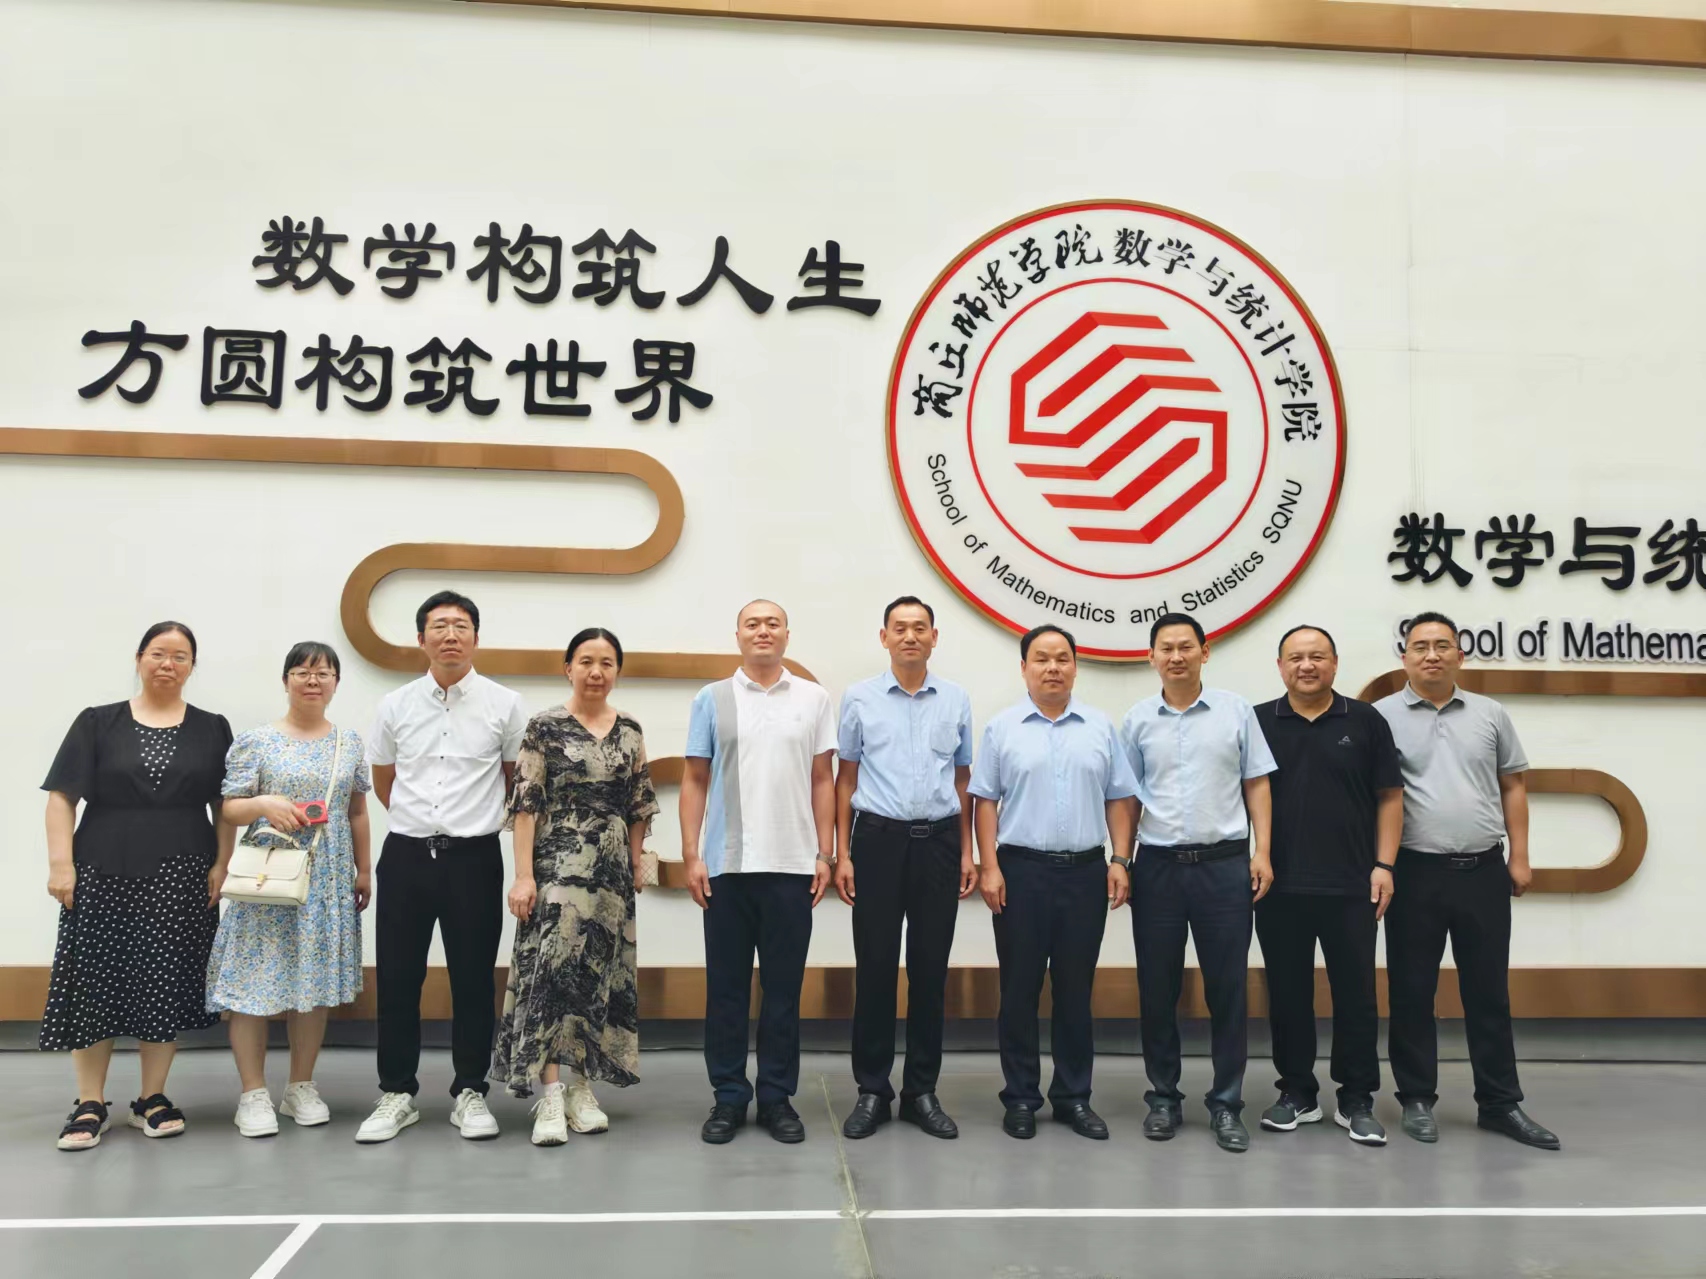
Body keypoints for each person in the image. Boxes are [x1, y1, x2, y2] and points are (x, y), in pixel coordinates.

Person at [41, 621, 233, 1151]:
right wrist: (61, 864)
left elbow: (225, 805)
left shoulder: (213, 727)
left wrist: (223, 863)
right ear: (139, 657)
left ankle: (152, 1097)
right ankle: (89, 1102)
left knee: (164, 978)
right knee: (94, 981)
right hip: (101, 868)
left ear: (192, 666)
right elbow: (61, 797)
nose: (168, 664)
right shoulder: (97, 722)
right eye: (158, 653)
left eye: (180, 656)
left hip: (183, 872)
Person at [1375, 612, 1559, 1150]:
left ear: (1460, 654)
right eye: (1420, 646)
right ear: (1404, 657)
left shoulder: (1490, 713)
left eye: (1442, 645)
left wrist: (1520, 856)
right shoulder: (1380, 717)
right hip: (1414, 872)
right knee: (1412, 991)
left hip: (1483, 870)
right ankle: (1416, 1098)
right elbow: (1374, 797)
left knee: (1488, 992)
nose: (1431, 654)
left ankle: (1500, 1103)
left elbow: (1513, 786)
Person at [358, 591, 527, 1143]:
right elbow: (385, 781)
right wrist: (420, 821)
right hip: (407, 855)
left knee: (473, 979)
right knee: (398, 977)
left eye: (460, 626)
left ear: (476, 637)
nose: (450, 635)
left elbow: (514, 782)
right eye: (439, 626)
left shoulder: (505, 704)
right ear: (421, 638)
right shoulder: (396, 704)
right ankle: (396, 1092)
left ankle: (470, 1090)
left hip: (474, 858)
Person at [491, 628, 659, 1146]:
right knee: (551, 975)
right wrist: (523, 876)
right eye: (586, 661)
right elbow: (526, 805)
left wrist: (635, 863)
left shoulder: (630, 729)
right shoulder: (544, 727)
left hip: (610, 875)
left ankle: (582, 1089)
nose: (596, 671)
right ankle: (550, 1094)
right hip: (556, 867)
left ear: (617, 671)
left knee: (596, 975)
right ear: (568, 668)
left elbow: (639, 804)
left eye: (606, 662)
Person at [970, 624, 1137, 1142]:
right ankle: (1021, 1097)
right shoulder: (1002, 728)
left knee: (1074, 989)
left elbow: (1119, 796)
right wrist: (989, 866)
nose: (1052, 667)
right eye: (1041, 659)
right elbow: (985, 800)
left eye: (1062, 658)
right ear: (1024, 668)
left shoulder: (1099, 726)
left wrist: (1120, 858)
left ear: (1075, 667)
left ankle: (1073, 1097)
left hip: (1085, 872)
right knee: (1019, 989)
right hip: (1020, 872)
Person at [681, 600, 836, 1145]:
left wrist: (824, 853)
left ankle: (776, 1098)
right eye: (753, 623)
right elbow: (695, 779)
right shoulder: (711, 698)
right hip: (727, 867)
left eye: (773, 623)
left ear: (787, 634)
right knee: (725, 990)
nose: (763, 631)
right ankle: (728, 1096)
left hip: (792, 868)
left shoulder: (813, 699)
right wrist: (692, 855)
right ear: (738, 635)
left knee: (783, 992)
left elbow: (823, 779)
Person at [1120, 613, 1275, 1154]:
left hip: (1224, 865)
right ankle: (1163, 1097)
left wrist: (1263, 852)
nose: (1176, 656)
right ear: (1151, 658)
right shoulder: (1138, 719)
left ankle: (1226, 1102)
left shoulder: (1236, 712)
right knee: (1157, 987)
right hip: (1157, 867)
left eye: (1186, 646)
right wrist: (1121, 859)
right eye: (1166, 648)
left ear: (1205, 652)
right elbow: (1127, 798)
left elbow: (1257, 784)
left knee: (1227, 988)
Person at [207, 641, 372, 1138]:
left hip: (327, 876)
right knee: (252, 981)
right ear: (285, 681)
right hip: (268, 875)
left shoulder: (349, 742)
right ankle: (252, 1093)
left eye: (323, 673)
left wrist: (365, 870)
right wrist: (264, 804)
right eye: (301, 672)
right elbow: (229, 808)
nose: (312, 680)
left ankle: (301, 1085)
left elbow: (357, 811)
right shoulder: (257, 741)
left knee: (313, 984)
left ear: (336, 683)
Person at [1253, 625, 1402, 1147]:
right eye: (1296, 657)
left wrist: (1384, 865)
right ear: (1280, 666)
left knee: (1356, 994)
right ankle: (1297, 1092)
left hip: (1352, 885)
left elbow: (1390, 796)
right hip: (1279, 887)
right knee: (1287, 994)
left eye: (1317, 656)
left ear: (1335, 664)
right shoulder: (1258, 722)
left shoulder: (1365, 720)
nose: (1307, 665)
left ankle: (1356, 1097)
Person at [835, 596, 975, 1141]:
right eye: (900, 628)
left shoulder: (956, 698)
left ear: (934, 637)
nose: (910, 636)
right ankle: (873, 1089)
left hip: (939, 842)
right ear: (884, 637)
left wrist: (966, 852)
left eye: (920, 628)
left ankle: (921, 1091)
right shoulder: (860, 698)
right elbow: (846, 778)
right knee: (874, 967)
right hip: (877, 842)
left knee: (930, 970)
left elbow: (962, 781)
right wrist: (843, 853)